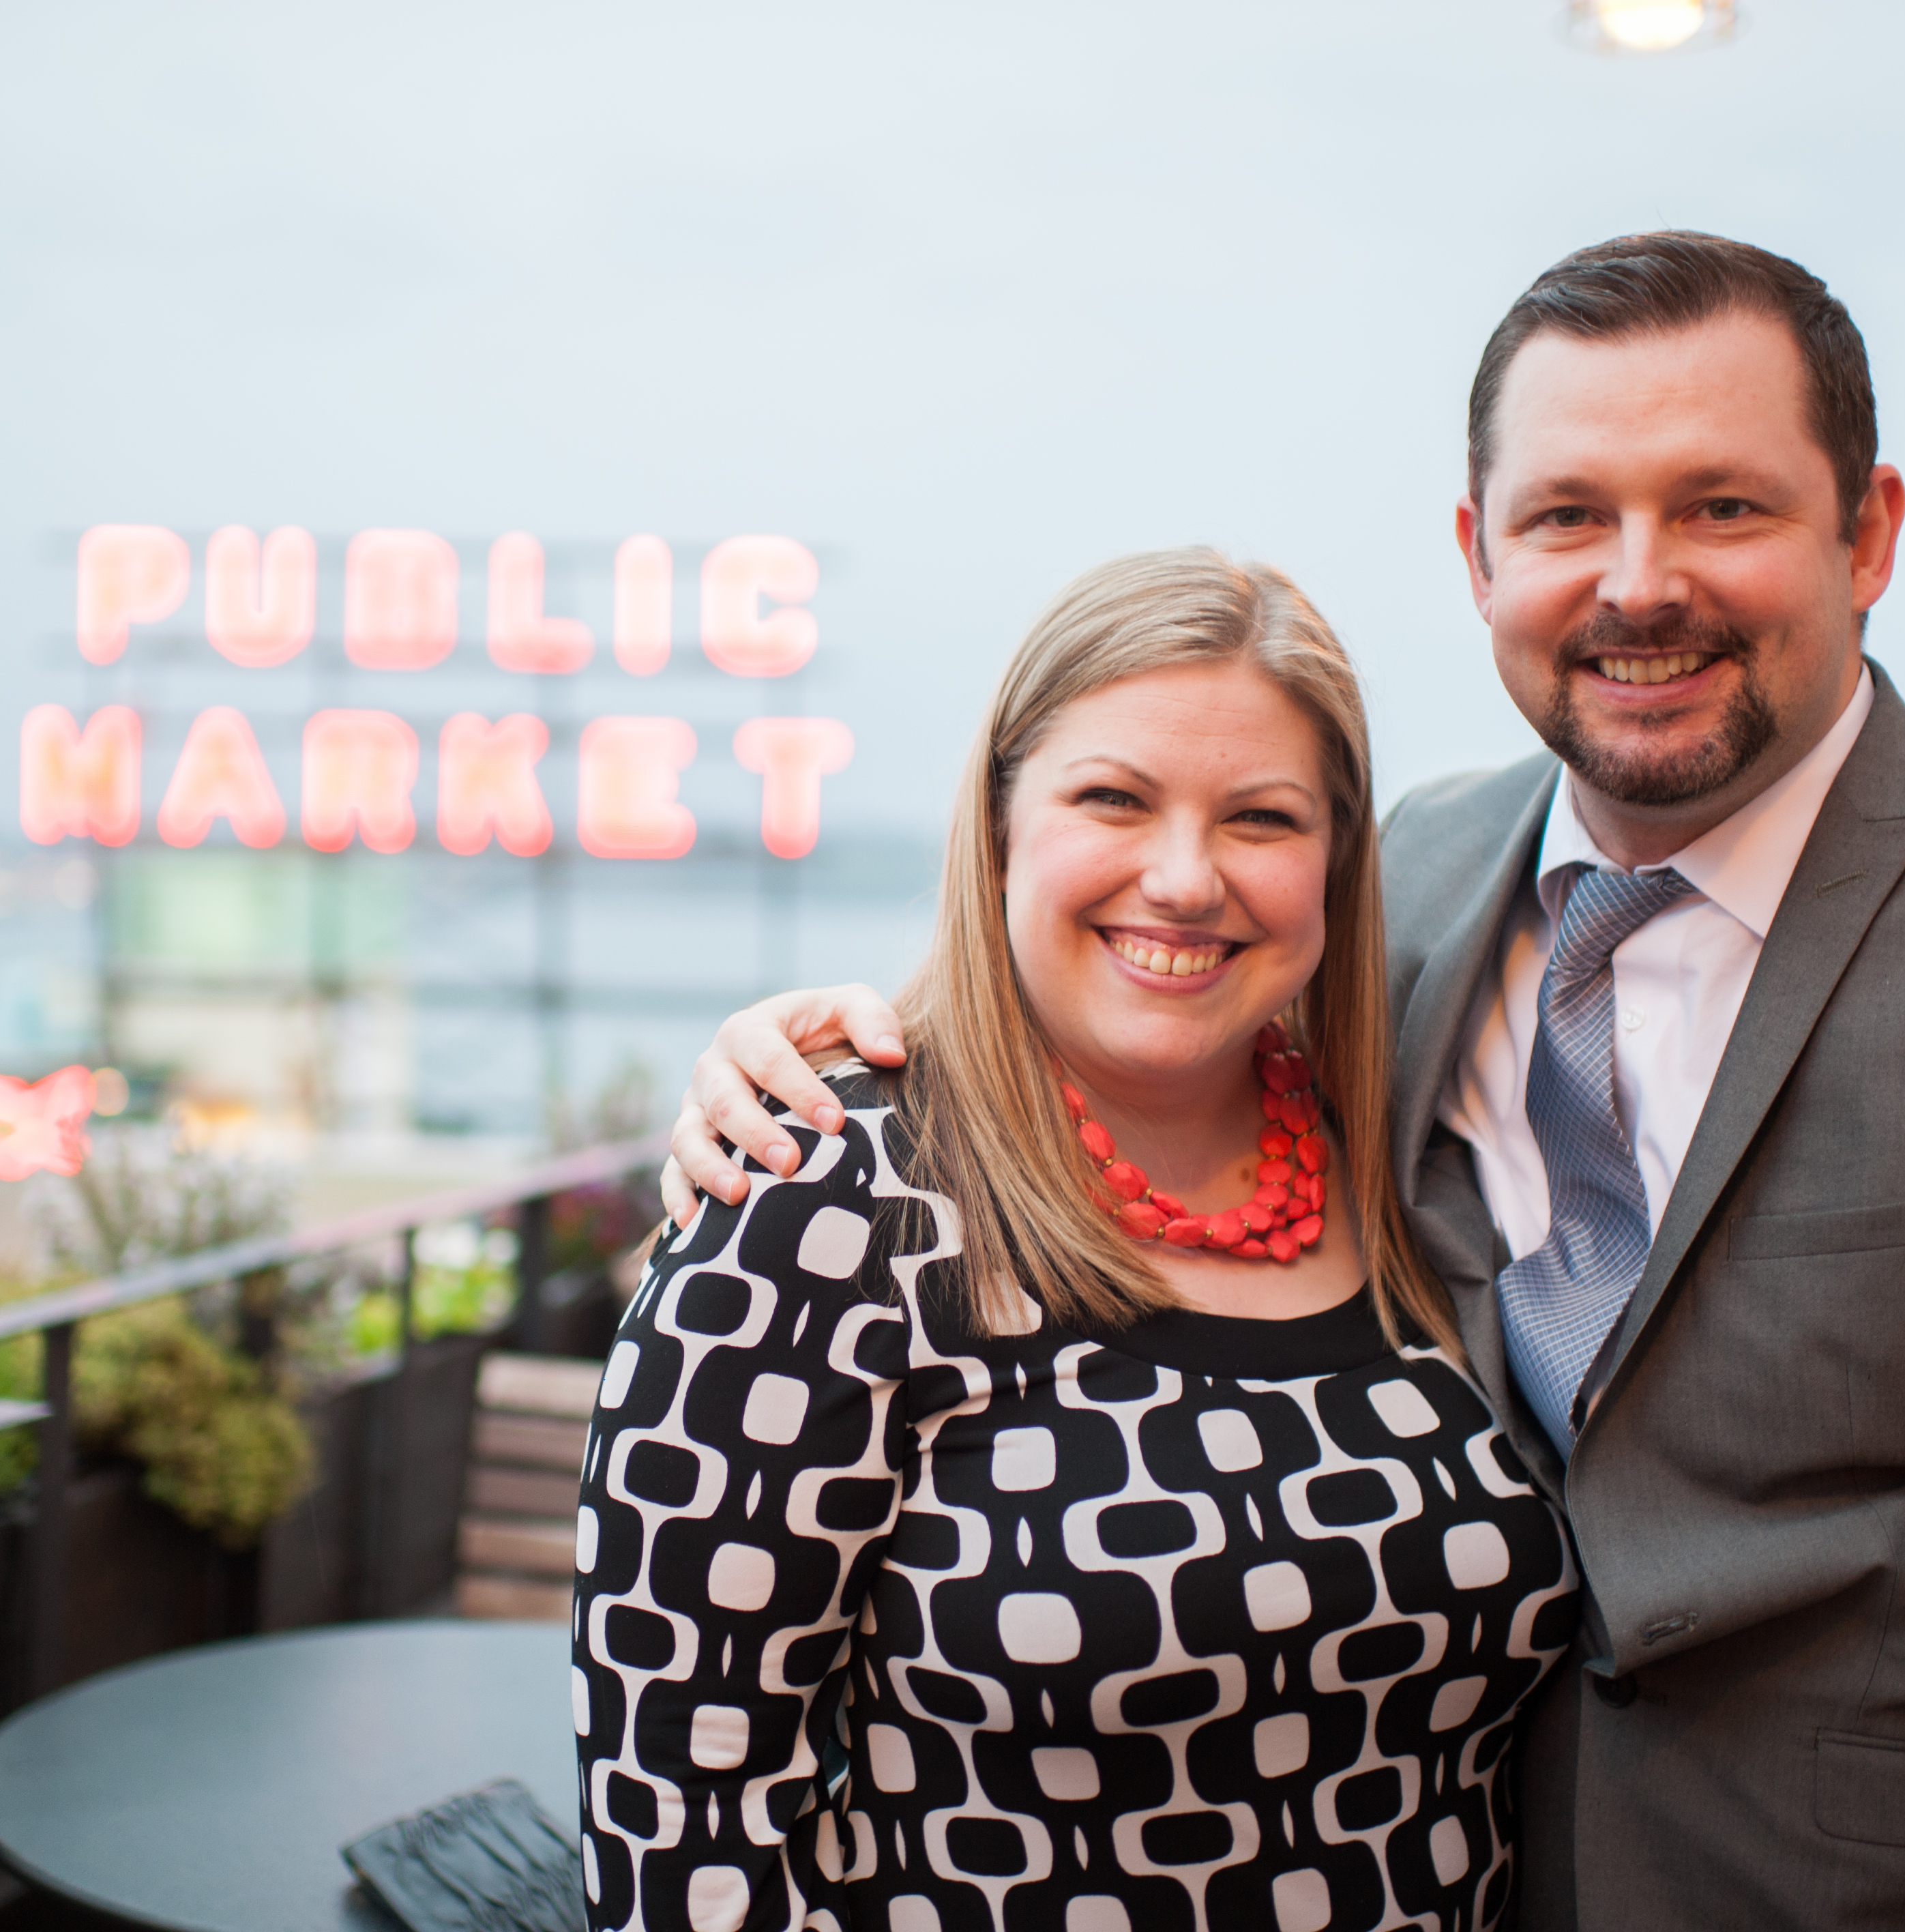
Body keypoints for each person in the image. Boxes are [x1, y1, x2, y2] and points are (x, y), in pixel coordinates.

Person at [657, 233, 1905, 1931]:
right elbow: (1112, 995)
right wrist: (798, 1050)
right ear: (1478, 552)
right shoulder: (1398, 896)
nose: (1639, 584)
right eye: (1569, 515)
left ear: (1868, 532)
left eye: (1722, 507)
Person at [575, 552, 1580, 1932]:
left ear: (1337, 860)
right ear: (998, 824)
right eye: (1112, 798)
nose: (1183, 878)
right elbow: (684, 1834)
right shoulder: (823, 1206)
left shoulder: (1405, 1158)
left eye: (1262, 818)